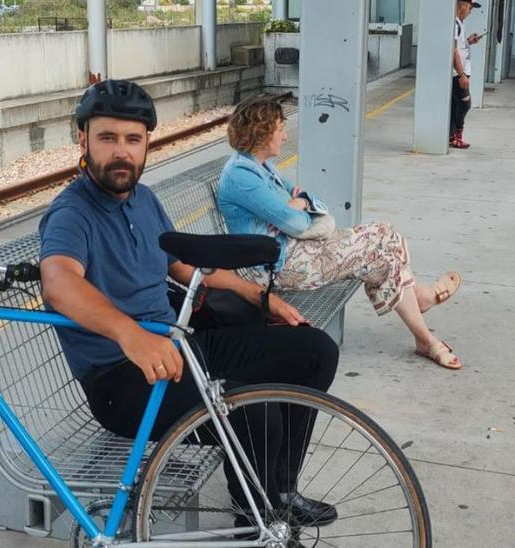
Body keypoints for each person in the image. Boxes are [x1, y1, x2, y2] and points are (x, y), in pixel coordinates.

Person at [38, 79, 340, 529]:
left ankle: (279, 494)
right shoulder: (71, 213)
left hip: (179, 347)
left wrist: (258, 295)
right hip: (123, 381)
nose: (121, 152)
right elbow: (59, 282)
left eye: (132, 140)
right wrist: (130, 334)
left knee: (314, 350)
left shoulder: (142, 199)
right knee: (254, 408)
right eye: (107, 138)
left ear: (146, 145)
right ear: (82, 139)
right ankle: (256, 524)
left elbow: (181, 266)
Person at [217, 98, 465, 370]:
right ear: (262, 133)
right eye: (280, 129)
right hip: (276, 266)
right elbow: (297, 222)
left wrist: (297, 204)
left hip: (292, 249)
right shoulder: (242, 176)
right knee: (378, 257)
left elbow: (302, 198)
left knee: (385, 232)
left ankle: (418, 300)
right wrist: (297, 205)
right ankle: (424, 332)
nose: (285, 135)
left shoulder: (260, 166)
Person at [451, 0, 482, 149]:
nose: (470, 12)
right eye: (470, 8)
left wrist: (469, 41)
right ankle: (457, 137)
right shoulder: (455, 24)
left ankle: (451, 136)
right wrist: (461, 74)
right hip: (457, 73)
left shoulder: (460, 23)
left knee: (455, 104)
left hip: (461, 72)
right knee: (465, 103)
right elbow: (453, 51)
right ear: (463, 5)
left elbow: (460, 46)